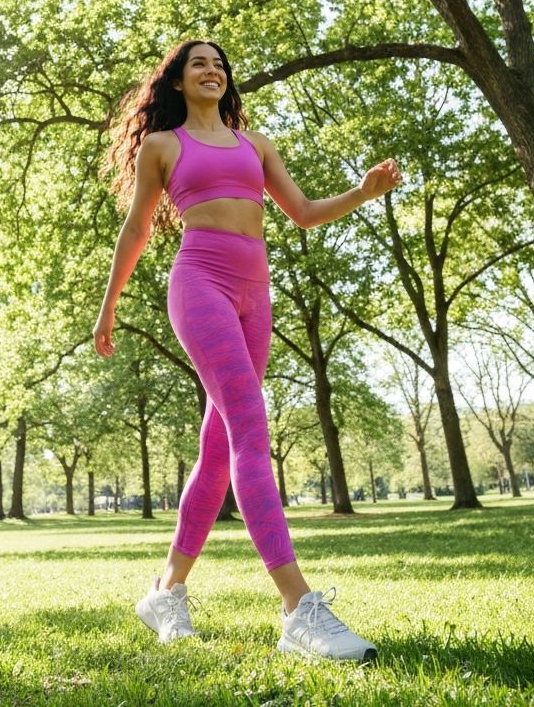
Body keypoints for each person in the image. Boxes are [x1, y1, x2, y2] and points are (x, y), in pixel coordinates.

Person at [93, 40, 402, 662]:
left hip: (254, 292)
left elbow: (305, 213)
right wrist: (108, 306)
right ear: (177, 81)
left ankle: (166, 592)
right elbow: (138, 229)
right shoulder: (164, 146)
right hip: (199, 282)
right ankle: (298, 610)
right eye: (199, 63)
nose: (213, 71)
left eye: (220, 64)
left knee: (218, 451)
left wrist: (362, 194)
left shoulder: (254, 144)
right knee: (251, 429)